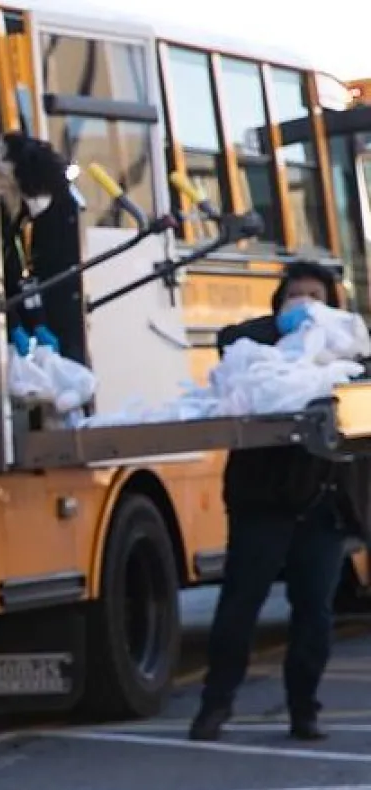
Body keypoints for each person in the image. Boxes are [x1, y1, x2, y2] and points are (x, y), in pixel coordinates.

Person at [190, 261, 358, 742]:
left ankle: (304, 710)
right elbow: (228, 338)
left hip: (320, 504)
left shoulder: (346, 353)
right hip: (261, 502)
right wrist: (290, 328)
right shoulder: (257, 349)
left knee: (314, 614)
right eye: (296, 296)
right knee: (240, 607)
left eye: (317, 297)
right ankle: (215, 706)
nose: (307, 305)